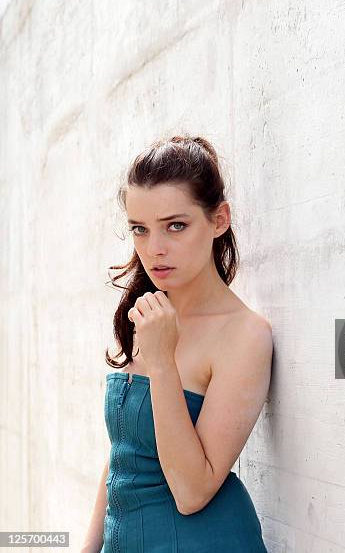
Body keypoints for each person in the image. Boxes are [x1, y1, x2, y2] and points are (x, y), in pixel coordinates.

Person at [81, 135, 273, 552]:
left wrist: (162, 361)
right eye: (140, 229)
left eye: (176, 226)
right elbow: (123, 455)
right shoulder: (150, 315)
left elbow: (192, 491)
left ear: (218, 220)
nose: (155, 249)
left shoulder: (244, 334)